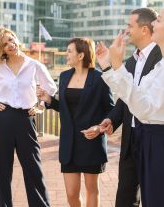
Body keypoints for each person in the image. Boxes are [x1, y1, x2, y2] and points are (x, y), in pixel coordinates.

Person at [96, 2, 164, 207]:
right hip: (154, 140)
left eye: (159, 19)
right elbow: (133, 98)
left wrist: (117, 66)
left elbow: (143, 108)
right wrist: (110, 67)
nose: (154, 23)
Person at [0, 27, 57, 207]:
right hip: (2, 119)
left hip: (26, 119)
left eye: (11, 40)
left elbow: (50, 88)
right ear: (0, 49)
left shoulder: (34, 65)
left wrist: (41, 106)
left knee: (34, 169)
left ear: (17, 39)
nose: (10, 45)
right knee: (1, 171)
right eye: (4, 44)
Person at [94, 8, 162, 207]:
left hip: (153, 136)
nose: (126, 30)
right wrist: (112, 119)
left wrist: (112, 64)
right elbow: (126, 95)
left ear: (144, 29)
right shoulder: (133, 60)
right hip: (131, 137)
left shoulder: (162, 57)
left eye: (129, 26)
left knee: (153, 196)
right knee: (125, 197)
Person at [37, 37, 114, 207]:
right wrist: (49, 99)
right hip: (69, 144)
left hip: (91, 141)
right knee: (71, 194)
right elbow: (64, 108)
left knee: (91, 189)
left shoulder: (100, 78)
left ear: (81, 55)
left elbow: (110, 109)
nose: (66, 54)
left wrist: (100, 128)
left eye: (69, 51)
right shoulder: (64, 76)